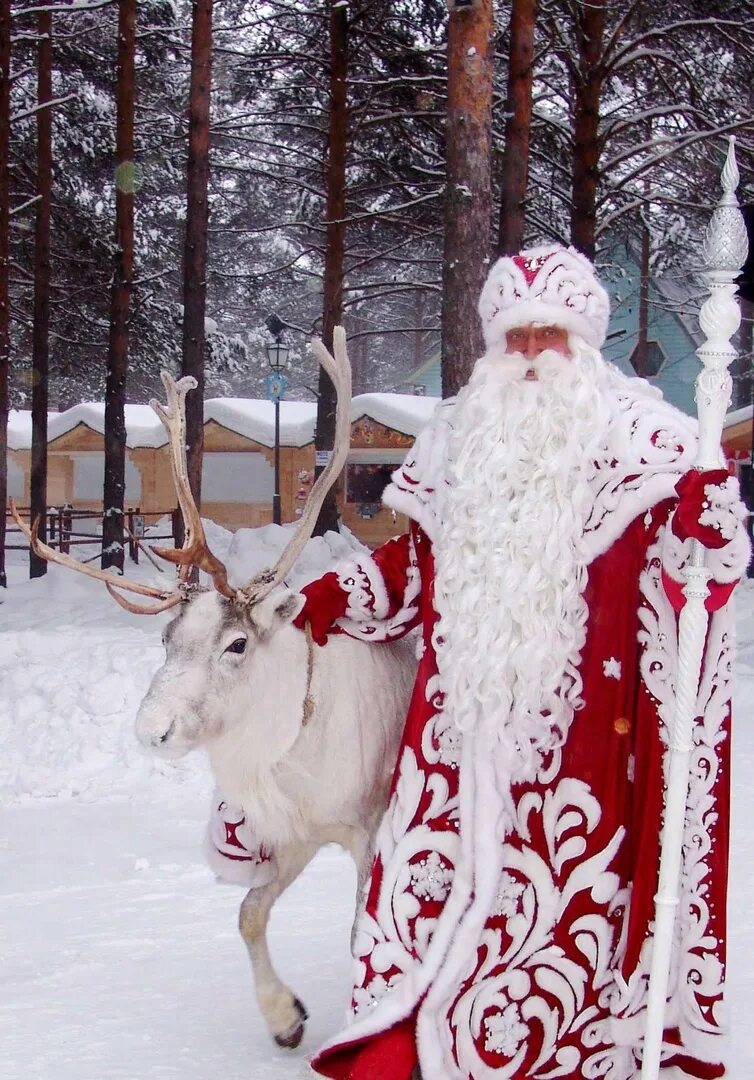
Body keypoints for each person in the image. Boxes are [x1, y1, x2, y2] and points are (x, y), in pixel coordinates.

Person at [288, 245, 750, 1080]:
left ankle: (550, 1042)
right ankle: (412, 1017)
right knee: (428, 867)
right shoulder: (459, 437)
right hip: (458, 724)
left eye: (553, 334)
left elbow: (693, 582)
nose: (534, 353)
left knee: (560, 885)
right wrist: (335, 594)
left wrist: (706, 535)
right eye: (518, 336)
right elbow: (418, 566)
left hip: (581, 735)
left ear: (588, 341)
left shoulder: (654, 445)